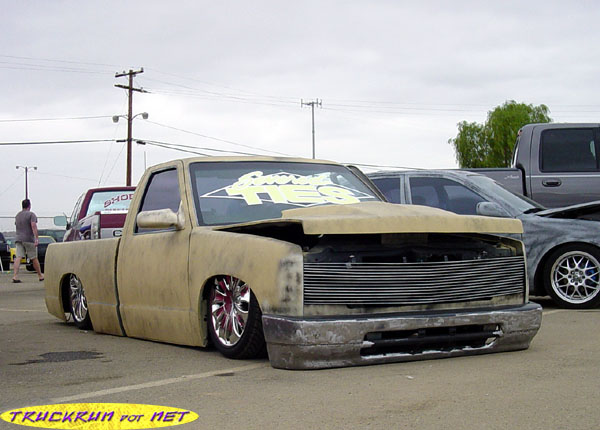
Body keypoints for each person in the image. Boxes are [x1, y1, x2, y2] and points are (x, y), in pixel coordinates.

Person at [13, 199, 44, 282]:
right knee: (34, 258)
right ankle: (40, 275)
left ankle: (15, 276)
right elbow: (33, 225)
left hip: (18, 238)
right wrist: (36, 238)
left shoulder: (17, 215)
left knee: (18, 257)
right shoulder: (31, 214)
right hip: (28, 239)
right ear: (29, 206)